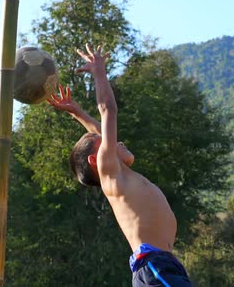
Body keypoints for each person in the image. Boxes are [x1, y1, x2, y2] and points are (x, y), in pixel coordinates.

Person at [47, 44, 192, 287]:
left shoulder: (121, 175)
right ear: (97, 160)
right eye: (108, 143)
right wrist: (99, 73)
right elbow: (108, 112)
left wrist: (77, 111)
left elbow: (98, 134)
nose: (118, 141)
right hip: (154, 265)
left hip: (164, 266)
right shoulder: (112, 176)